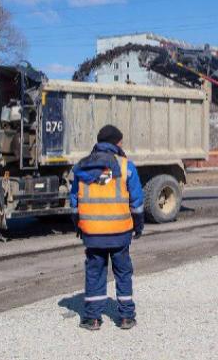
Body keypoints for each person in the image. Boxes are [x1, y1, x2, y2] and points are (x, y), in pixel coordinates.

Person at [70, 124, 145, 331]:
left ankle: (93, 318)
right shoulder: (125, 167)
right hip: (120, 233)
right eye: (120, 142)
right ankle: (126, 317)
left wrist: (78, 225)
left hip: (93, 233)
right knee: (123, 273)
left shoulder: (82, 167)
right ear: (116, 143)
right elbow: (137, 203)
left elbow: (74, 201)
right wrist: (138, 226)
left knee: (95, 273)